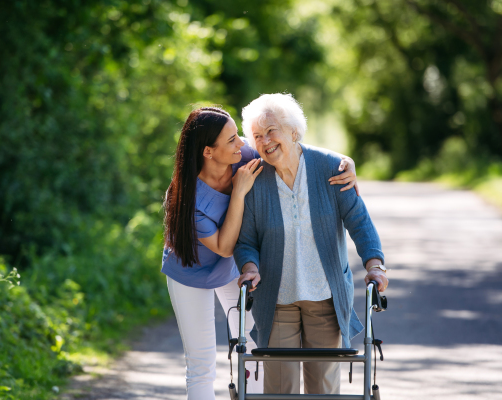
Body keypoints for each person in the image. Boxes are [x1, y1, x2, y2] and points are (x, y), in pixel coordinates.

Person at [161, 107, 359, 400]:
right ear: (208, 151)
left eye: (238, 136)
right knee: (201, 364)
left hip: (234, 268)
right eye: (231, 140)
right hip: (190, 272)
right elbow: (225, 246)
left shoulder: (242, 156)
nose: (242, 143)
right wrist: (239, 192)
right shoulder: (186, 197)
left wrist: (344, 163)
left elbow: (294, 151)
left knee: (256, 351)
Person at [234, 94, 389, 395]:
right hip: (276, 300)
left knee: (323, 388)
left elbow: (359, 222)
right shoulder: (255, 178)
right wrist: (250, 266)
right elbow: (246, 241)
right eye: (257, 136)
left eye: (271, 130)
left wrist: (375, 265)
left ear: (294, 131)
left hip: (324, 297)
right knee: (280, 388)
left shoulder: (331, 167)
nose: (265, 141)